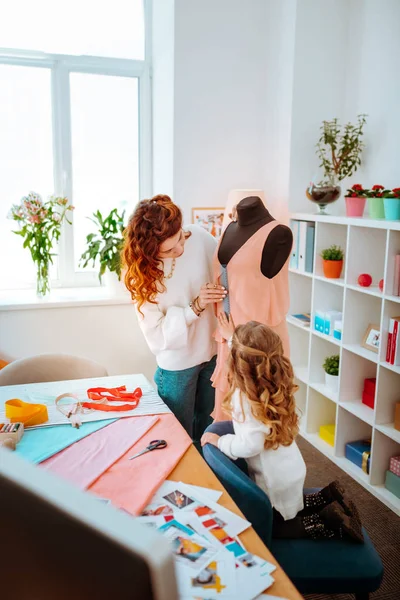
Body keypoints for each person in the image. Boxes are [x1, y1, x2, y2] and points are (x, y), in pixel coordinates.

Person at [202, 318, 364, 543]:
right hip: (291, 469)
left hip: (272, 483)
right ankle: (329, 496)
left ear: (237, 361)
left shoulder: (244, 397)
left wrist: (220, 442)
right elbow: (252, 357)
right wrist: (233, 339)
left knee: (279, 527)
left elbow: (250, 445)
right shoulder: (276, 383)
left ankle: (328, 522)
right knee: (292, 503)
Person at [122, 194, 227, 441]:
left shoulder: (199, 237)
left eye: (180, 237)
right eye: (169, 249)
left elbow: (224, 269)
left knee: (208, 432)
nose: (180, 249)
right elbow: (157, 336)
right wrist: (196, 306)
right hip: (177, 366)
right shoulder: (142, 275)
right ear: (149, 250)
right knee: (176, 439)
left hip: (211, 354)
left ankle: (208, 480)